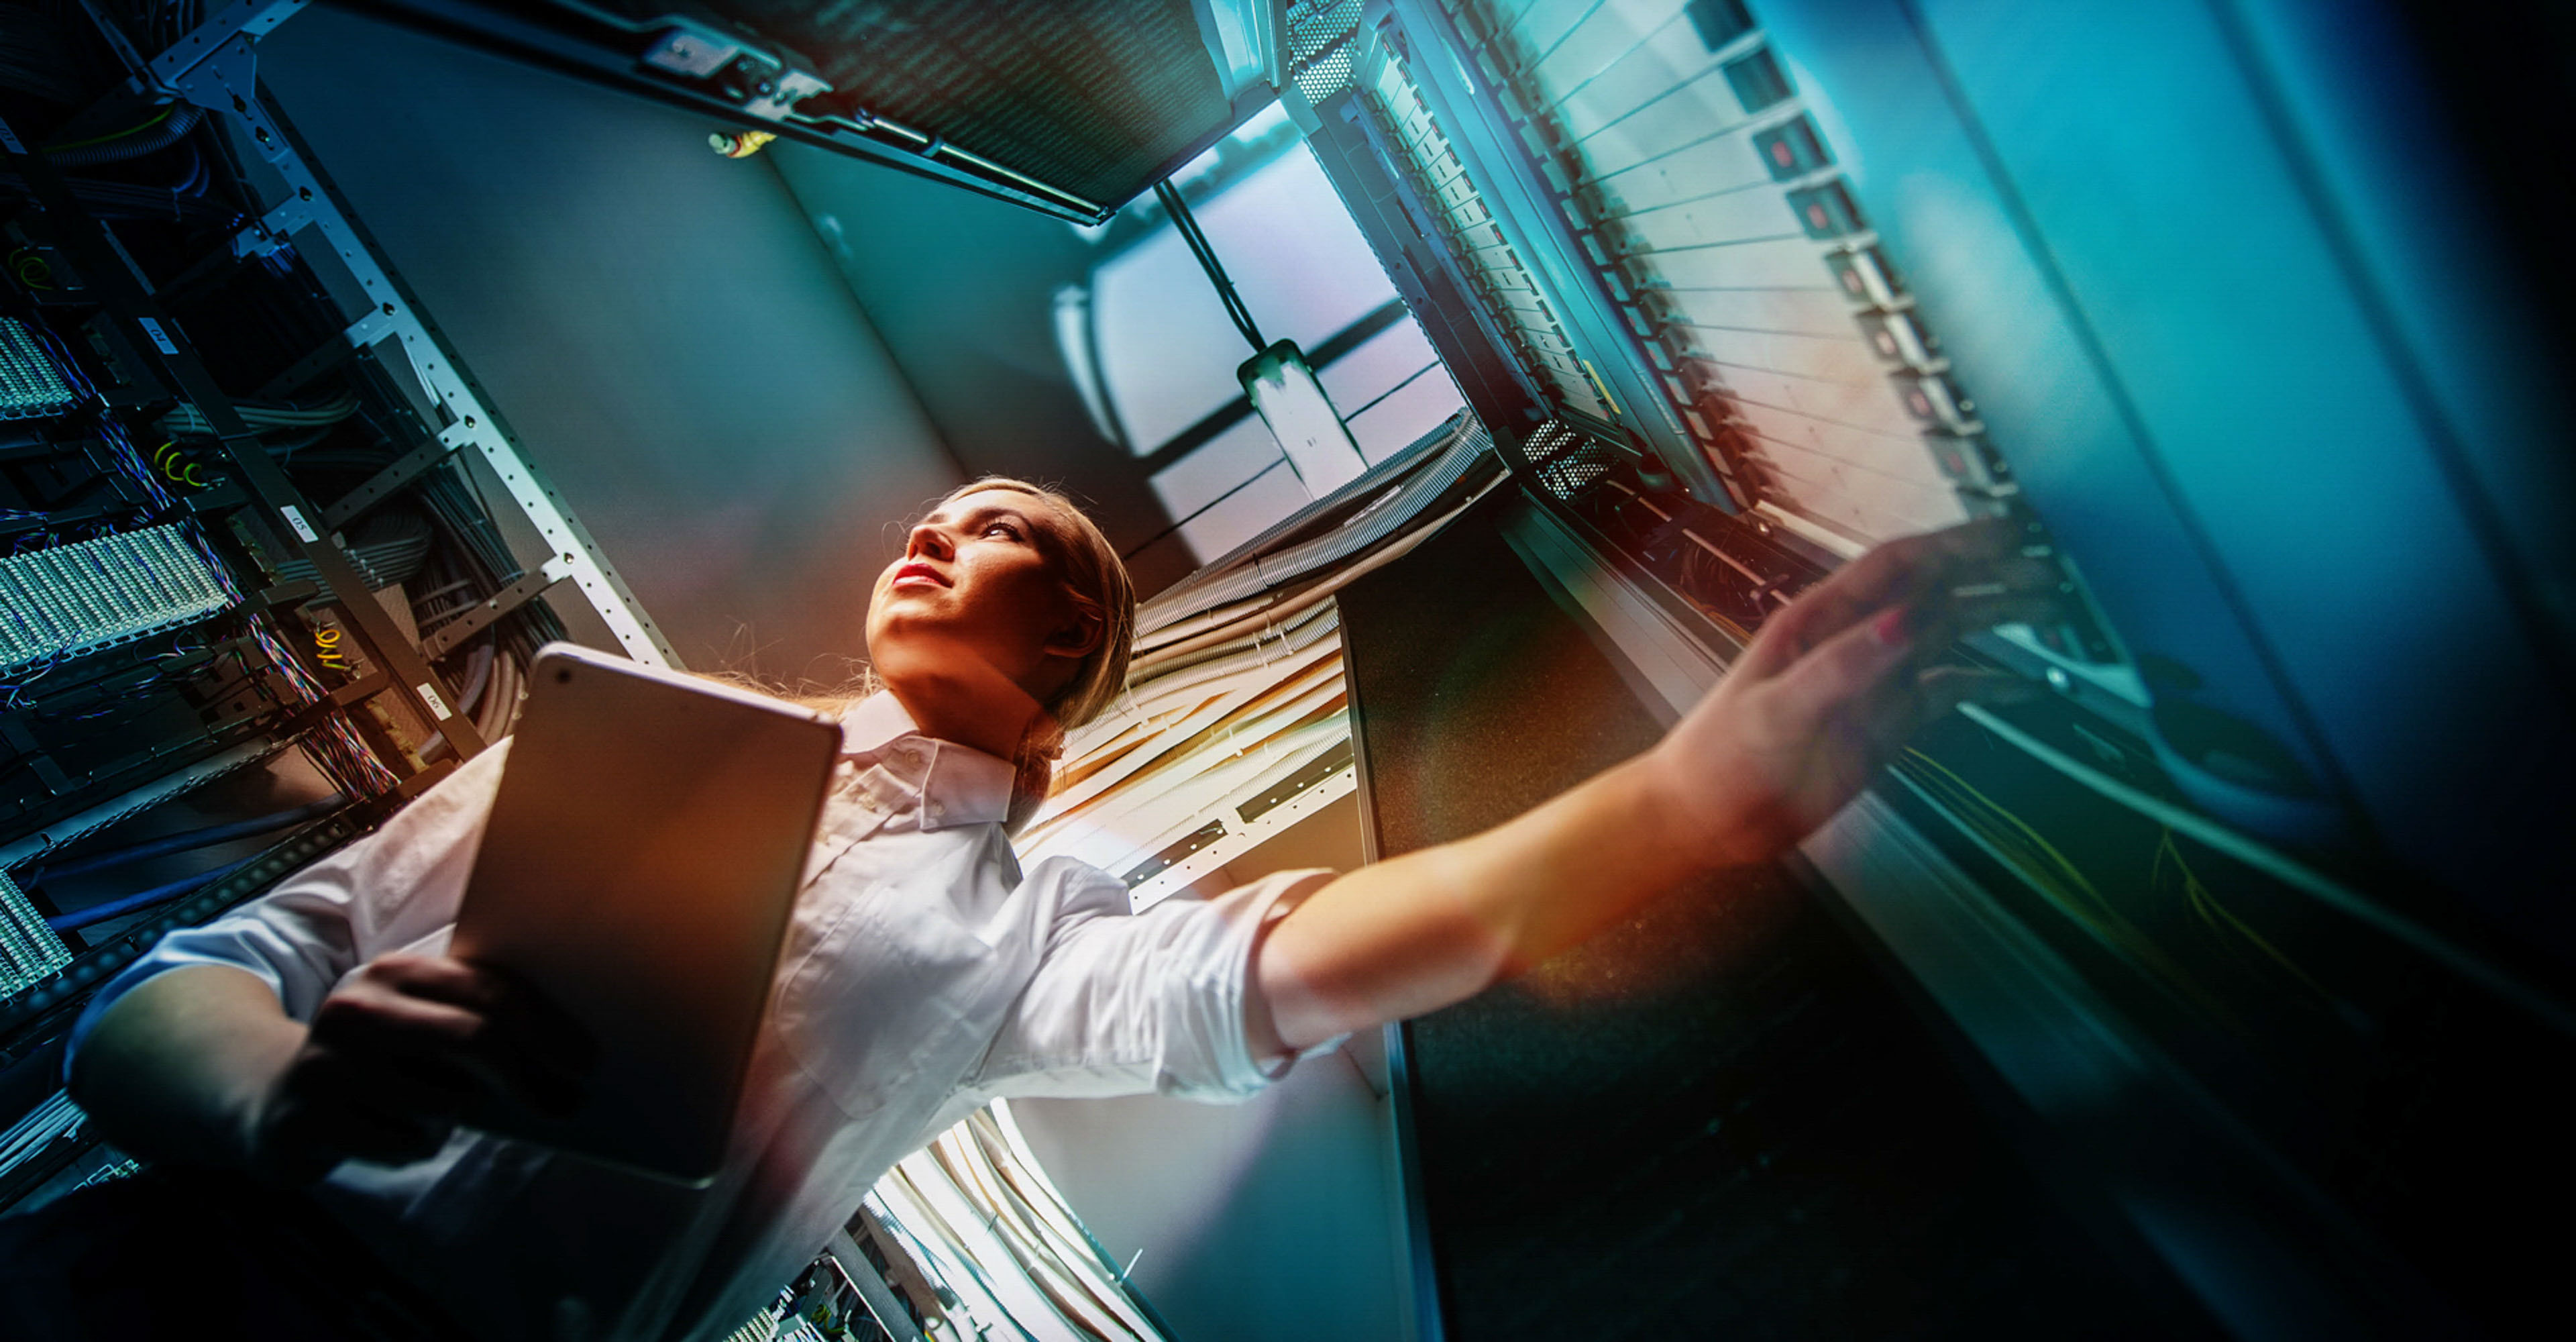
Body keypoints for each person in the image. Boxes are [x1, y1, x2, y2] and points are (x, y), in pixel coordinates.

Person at [40, 476, 2059, 1340]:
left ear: (1077, 635)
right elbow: (177, 990)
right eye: (936, 515)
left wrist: (1682, 800)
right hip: (139, 1271)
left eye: (1006, 532)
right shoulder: (627, 740)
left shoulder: (1036, 915)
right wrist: (277, 1104)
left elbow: (1295, 969)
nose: (944, 528)